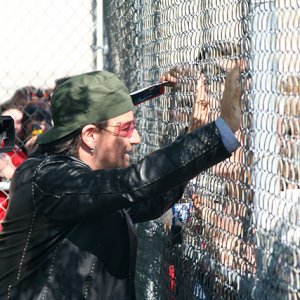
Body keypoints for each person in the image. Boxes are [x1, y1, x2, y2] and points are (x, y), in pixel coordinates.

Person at [0, 67, 242, 299]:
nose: (136, 138)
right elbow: (131, 184)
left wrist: (193, 137)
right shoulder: (47, 176)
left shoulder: (83, 183)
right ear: (90, 135)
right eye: (126, 129)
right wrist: (220, 131)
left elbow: (150, 201)